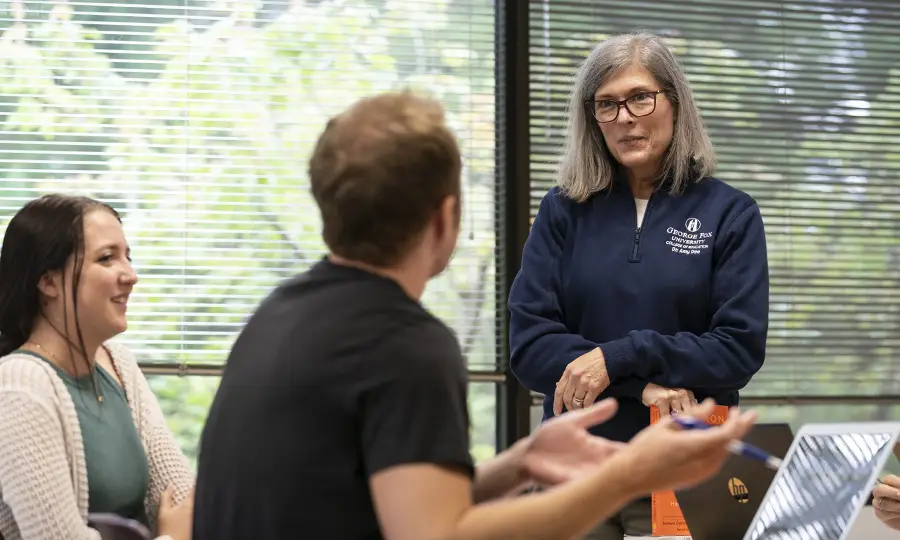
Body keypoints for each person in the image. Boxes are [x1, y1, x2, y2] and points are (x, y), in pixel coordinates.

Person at [191, 90, 758, 540]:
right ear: (445, 219)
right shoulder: (404, 345)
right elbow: (440, 533)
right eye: (606, 104)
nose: (625, 118)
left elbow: (386, 503)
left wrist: (521, 464)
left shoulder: (276, 314)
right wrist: (627, 475)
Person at [508, 31, 770, 539]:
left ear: (675, 102)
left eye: (640, 97)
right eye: (606, 105)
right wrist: (640, 384)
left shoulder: (731, 213)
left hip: (689, 467)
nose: (624, 117)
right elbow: (530, 345)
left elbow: (738, 348)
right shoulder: (562, 210)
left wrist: (620, 357)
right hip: (576, 467)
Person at [0, 195, 195, 540]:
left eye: (127, 257)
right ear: (49, 282)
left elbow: (184, 500)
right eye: (107, 258)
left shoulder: (119, 363)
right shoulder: (18, 387)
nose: (131, 276)